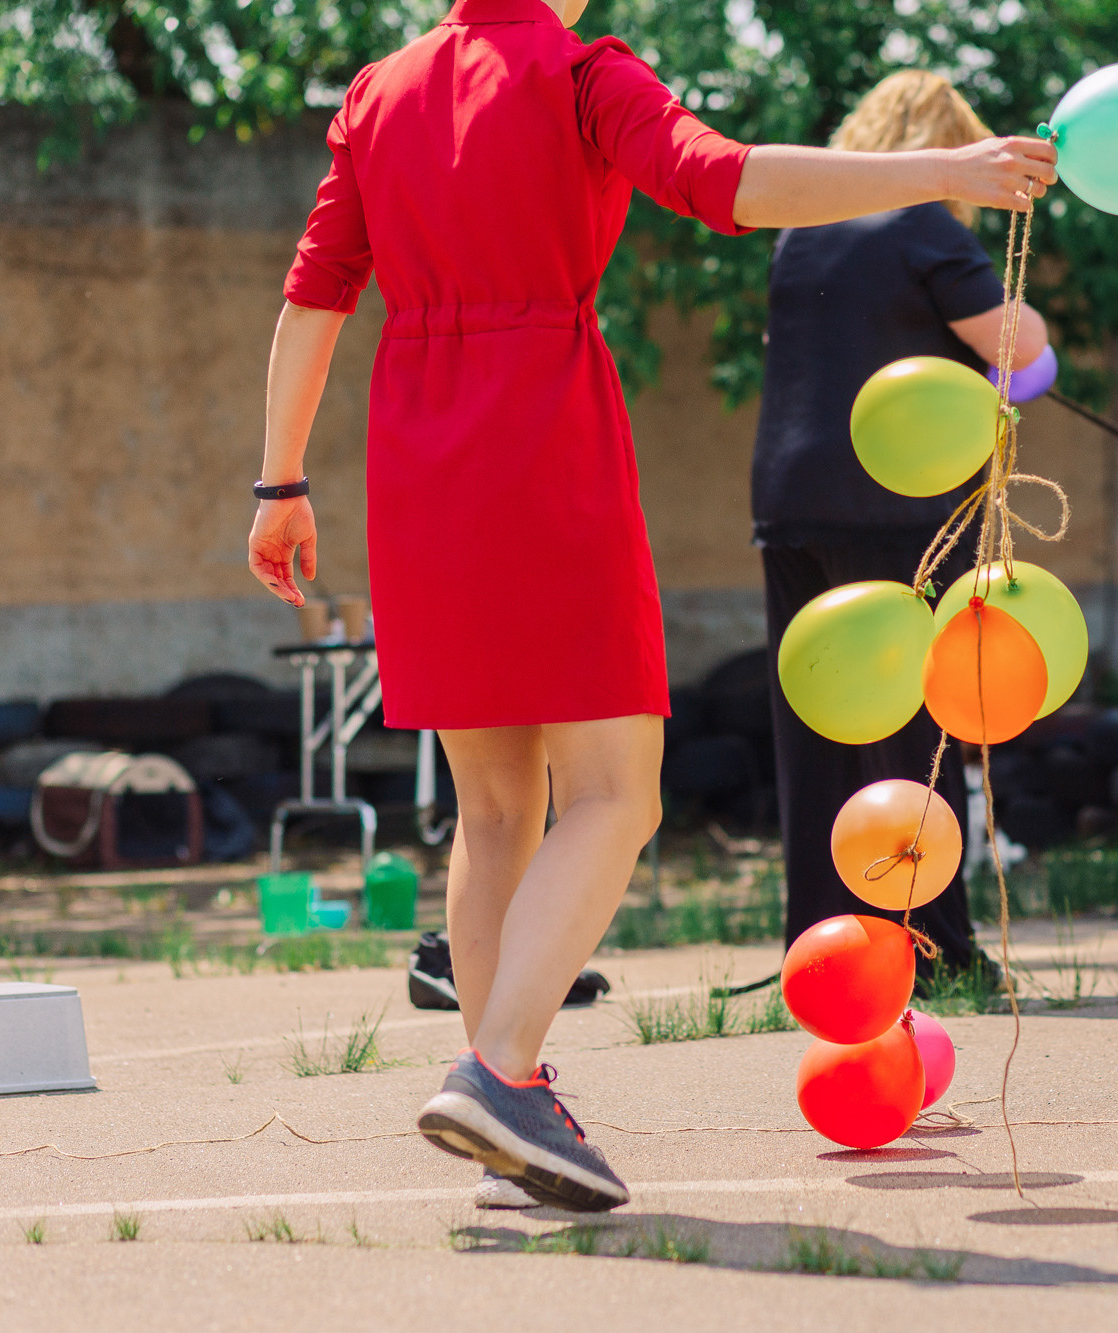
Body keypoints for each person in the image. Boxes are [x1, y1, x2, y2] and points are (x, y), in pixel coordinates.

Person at [247, 0, 1057, 1216]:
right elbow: (727, 182)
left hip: (415, 452)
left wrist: (280, 482)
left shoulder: (380, 91)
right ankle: (501, 1072)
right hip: (541, 435)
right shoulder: (583, 74)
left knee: (494, 806)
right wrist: (946, 168)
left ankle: (497, 1102)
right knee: (617, 792)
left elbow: (314, 296)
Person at [754, 71, 1049, 976]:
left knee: (816, 727)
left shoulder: (803, 229)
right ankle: (937, 946)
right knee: (918, 735)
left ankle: (821, 943)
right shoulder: (924, 223)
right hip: (893, 511)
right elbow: (1022, 349)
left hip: (788, 502)